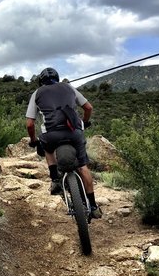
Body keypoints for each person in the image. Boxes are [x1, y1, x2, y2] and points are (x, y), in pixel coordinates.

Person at [25, 67, 102, 219]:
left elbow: (29, 124)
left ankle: (55, 180)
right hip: (74, 131)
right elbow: (88, 107)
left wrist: (34, 140)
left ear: (41, 81)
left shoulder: (37, 93)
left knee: (47, 149)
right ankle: (93, 206)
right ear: (57, 78)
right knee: (82, 166)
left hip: (51, 134)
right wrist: (84, 122)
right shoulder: (69, 87)